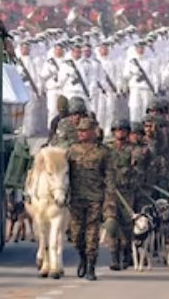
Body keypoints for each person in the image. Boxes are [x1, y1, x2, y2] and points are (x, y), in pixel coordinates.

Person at [65, 117, 116, 281]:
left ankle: (91, 267)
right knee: (76, 236)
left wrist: (109, 202)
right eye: (79, 131)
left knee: (92, 235)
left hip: (95, 199)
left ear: (93, 132)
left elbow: (109, 179)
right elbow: (64, 175)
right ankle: (83, 258)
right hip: (76, 199)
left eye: (84, 131)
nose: (81, 134)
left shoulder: (103, 152)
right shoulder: (71, 151)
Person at [107, 119, 140, 271]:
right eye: (117, 130)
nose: (120, 132)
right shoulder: (107, 149)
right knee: (112, 224)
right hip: (111, 193)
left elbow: (138, 166)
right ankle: (114, 258)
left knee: (127, 226)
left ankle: (127, 254)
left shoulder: (134, 150)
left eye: (123, 130)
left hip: (127, 193)